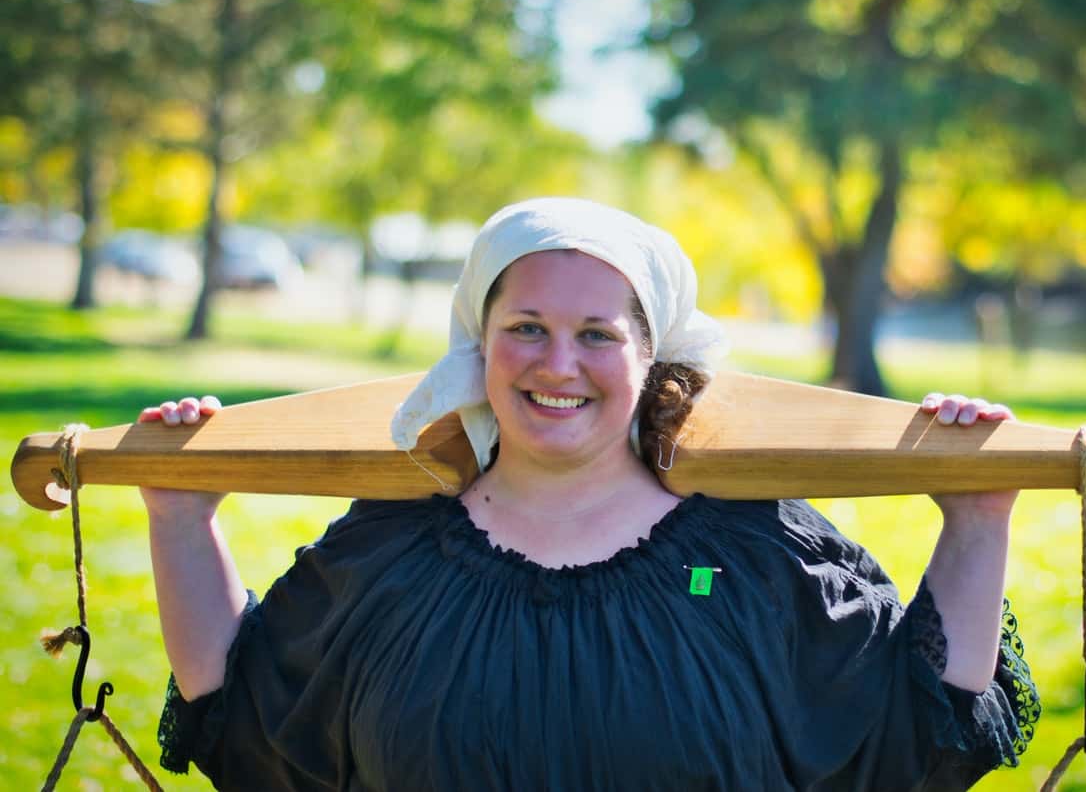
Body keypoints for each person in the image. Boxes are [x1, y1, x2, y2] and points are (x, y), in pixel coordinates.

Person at [141, 197, 1038, 791]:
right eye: (526, 327)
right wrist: (180, 514)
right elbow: (246, 710)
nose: (558, 364)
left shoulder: (754, 551)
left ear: (651, 357)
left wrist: (978, 514)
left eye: (597, 334)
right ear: (480, 344)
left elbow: (915, 732)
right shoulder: (390, 551)